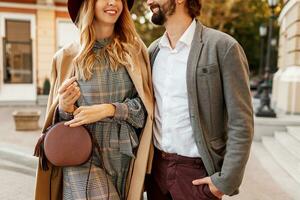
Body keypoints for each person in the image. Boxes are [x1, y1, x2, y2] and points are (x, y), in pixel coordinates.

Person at [34, 0, 154, 199]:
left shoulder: (134, 51)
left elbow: (145, 113)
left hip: (123, 154)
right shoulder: (66, 57)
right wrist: (64, 106)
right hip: (81, 155)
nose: (112, 2)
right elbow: (59, 124)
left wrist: (109, 109)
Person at [146, 0, 254, 199]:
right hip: (156, 174)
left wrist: (225, 181)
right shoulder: (153, 51)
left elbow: (241, 121)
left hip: (197, 175)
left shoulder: (223, 47)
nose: (149, 1)